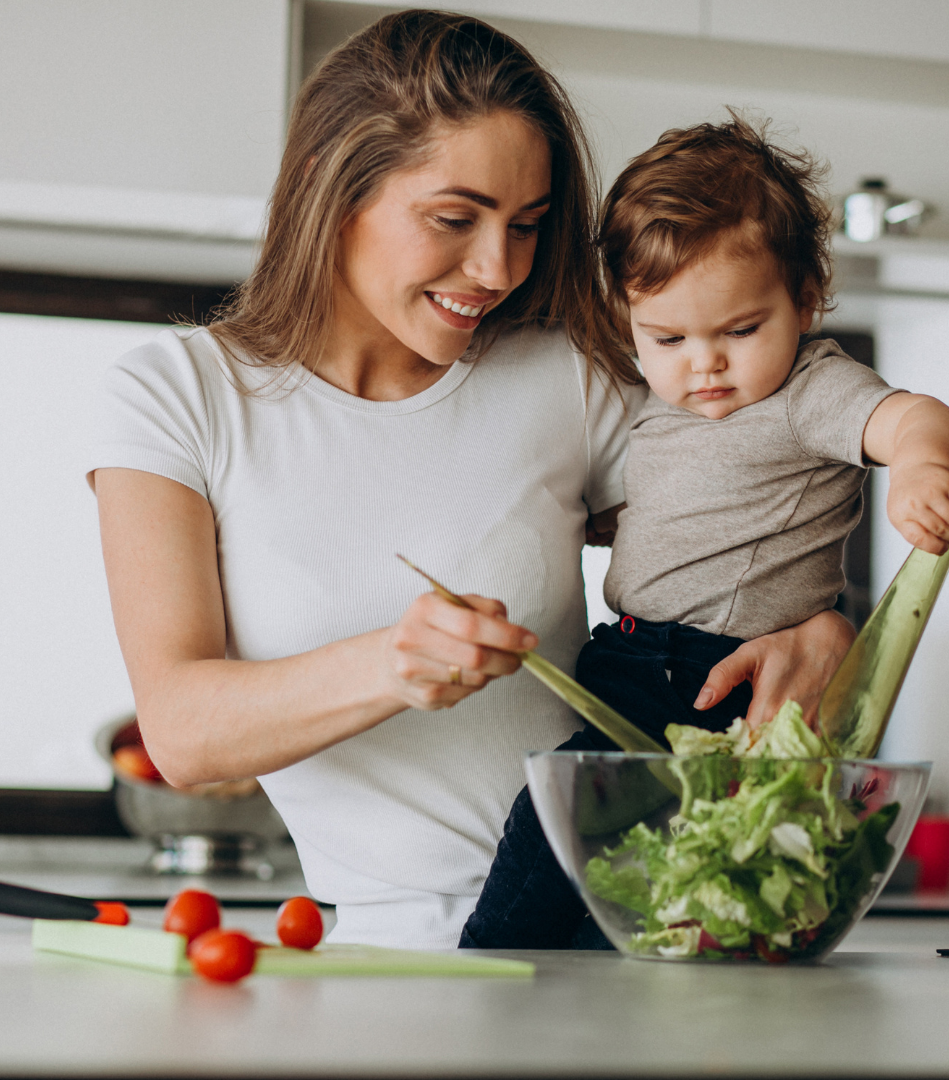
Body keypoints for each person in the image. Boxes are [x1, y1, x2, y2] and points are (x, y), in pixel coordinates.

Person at [87, 16, 856, 951]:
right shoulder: (181, 398)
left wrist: (824, 629)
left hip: (648, 926)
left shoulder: (561, 374)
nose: (499, 268)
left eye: (527, 225)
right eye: (454, 219)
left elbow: (745, 527)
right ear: (337, 188)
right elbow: (183, 732)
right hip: (401, 959)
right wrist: (391, 663)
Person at [461, 116, 949, 950]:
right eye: (667, 338)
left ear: (805, 298)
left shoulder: (809, 389)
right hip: (626, 658)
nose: (706, 365)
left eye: (740, 331)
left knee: (562, 838)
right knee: (619, 872)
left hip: (708, 679)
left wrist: (921, 467)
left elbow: (917, 418)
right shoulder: (666, 403)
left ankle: (496, 969)